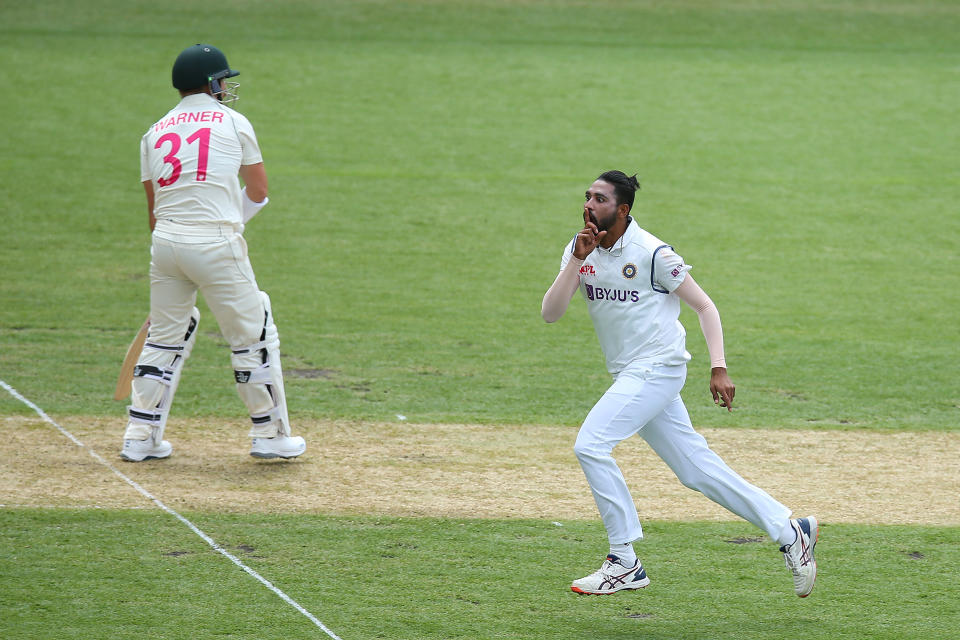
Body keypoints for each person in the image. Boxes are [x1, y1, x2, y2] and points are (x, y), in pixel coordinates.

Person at [541, 170, 817, 597]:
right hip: (630, 374)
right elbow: (551, 313)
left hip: (657, 369)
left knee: (590, 444)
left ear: (623, 209)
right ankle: (790, 530)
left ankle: (624, 560)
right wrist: (577, 259)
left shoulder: (654, 253)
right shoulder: (581, 250)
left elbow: (705, 306)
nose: (589, 205)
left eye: (599, 199)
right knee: (695, 469)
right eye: (587, 197)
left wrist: (719, 367)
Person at [120, 44, 306, 462]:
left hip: (165, 245)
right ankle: (270, 434)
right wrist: (227, 223)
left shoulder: (153, 132)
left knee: (165, 339)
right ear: (213, 83)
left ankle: (140, 437)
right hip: (216, 241)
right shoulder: (234, 122)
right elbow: (258, 192)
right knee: (253, 334)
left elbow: (155, 214)